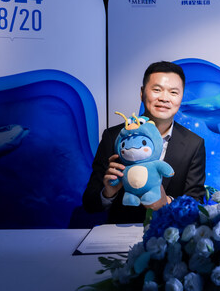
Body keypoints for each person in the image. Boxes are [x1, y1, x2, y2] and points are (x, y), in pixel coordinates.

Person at [82, 61, 206, 224]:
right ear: (142, 93)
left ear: (181, 97)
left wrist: (167, 202)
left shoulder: (193, 144)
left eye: (173, 92)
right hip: (120, 233)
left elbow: (196, 204)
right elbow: (90, 204)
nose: (164, 98)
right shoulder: (114, 137)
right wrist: (108, 193)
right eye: (157, 90)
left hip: (169, 234)